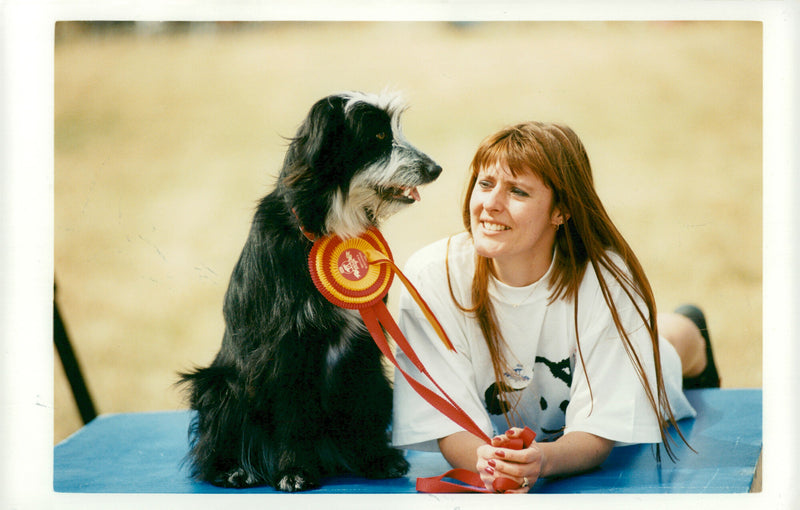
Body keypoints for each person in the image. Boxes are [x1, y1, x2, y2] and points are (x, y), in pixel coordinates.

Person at [391, 121, 720, 493]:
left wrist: (542, 461)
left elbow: (596, 436)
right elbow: (449, 425)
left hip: (638, 364)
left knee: (671, 344)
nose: (491, 204)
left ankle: (691, 327)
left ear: (560, 211)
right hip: (521, 414)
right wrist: (492, 464)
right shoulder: (433, 275)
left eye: (517, 191)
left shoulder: (607, 280)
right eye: (485, 184)